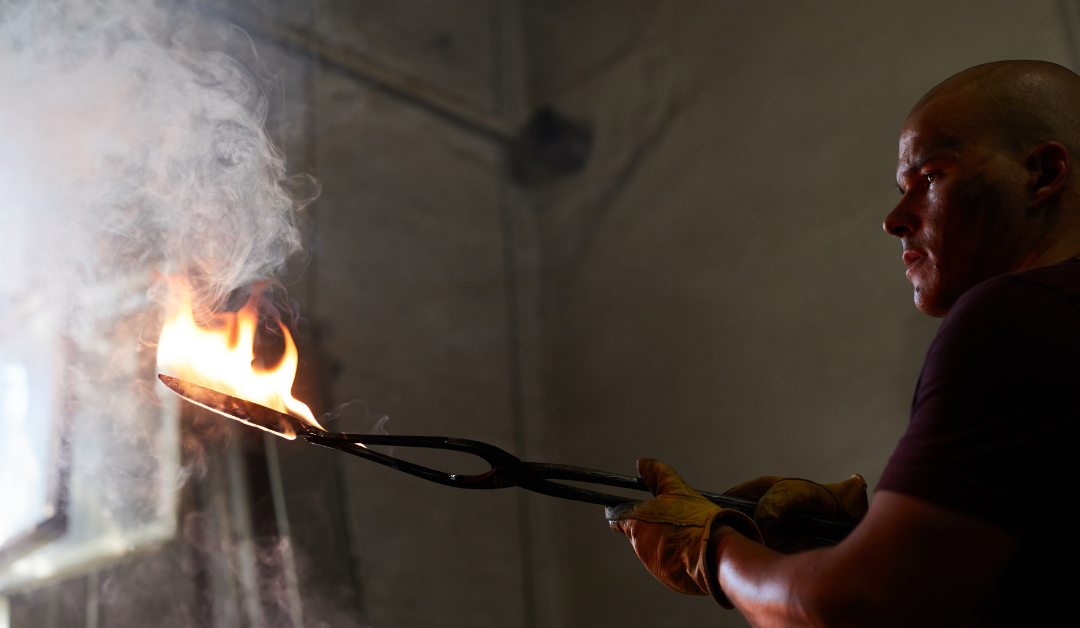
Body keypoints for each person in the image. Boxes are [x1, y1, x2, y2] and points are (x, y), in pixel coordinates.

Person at [607, 60, 1080, 627]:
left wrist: (713, 551)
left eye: (930, 177)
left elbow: (860, 609)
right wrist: (864, 533)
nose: (894, 220)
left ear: (1043, 172)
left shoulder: (1017, 314)